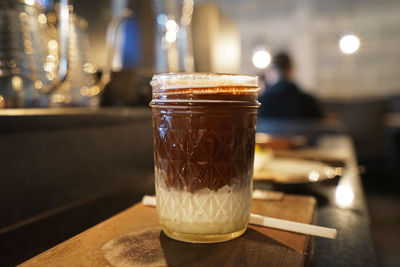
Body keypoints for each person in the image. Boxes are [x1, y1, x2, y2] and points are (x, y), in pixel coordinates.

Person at [258, 52, 322, 119]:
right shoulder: (308, 101)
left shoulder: (261, 102)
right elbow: (320, 126)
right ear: (291, 69)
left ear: (271, 71)